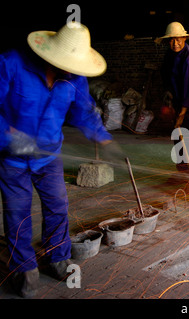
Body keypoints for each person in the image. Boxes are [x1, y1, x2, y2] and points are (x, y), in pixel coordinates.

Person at [0, 22, 113, 298]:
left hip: (48, 156)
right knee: (18, 213)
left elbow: (83, 111)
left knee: (58, 206)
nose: (73, 71)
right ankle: (24, 269)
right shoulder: (11, 64)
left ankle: (57, 258)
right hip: (13, 159)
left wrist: (102, 136)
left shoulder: (74, 77)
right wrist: (11, 137)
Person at [157, 22, 189, 175]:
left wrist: (181, 115)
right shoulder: (170, 54)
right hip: (178, 102)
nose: (175, 43)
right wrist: (169, 95)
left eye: (178, 39)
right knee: (179, 138)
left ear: (184, 38)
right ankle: (182, 174)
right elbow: (166, 75)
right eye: (171, 40)